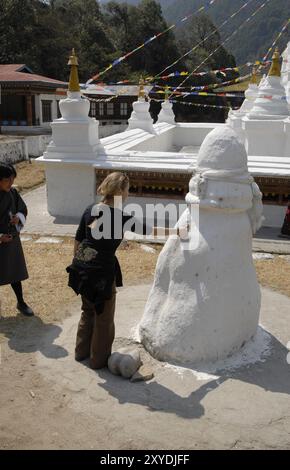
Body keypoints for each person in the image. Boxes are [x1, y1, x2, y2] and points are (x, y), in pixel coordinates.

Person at [67, 171, 187, 370]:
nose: (128, 193)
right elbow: (151, 230)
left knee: (87, 311)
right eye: (127, 189)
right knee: (103, 318)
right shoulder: (120, 217)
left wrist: (77, 265)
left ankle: (80, 353)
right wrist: (177, 231)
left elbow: (78, 238)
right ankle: (98, 361)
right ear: (120, 191)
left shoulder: (91, 209)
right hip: (101, 274)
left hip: (82, 269)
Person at [0, 162, 34, 316]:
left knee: (15, 273)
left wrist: (17, 218)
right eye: (7, 180)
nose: (11, 183)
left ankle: (21, 302)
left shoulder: (12, 193)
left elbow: (22, 209)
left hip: (11, 239)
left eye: (12, 179)